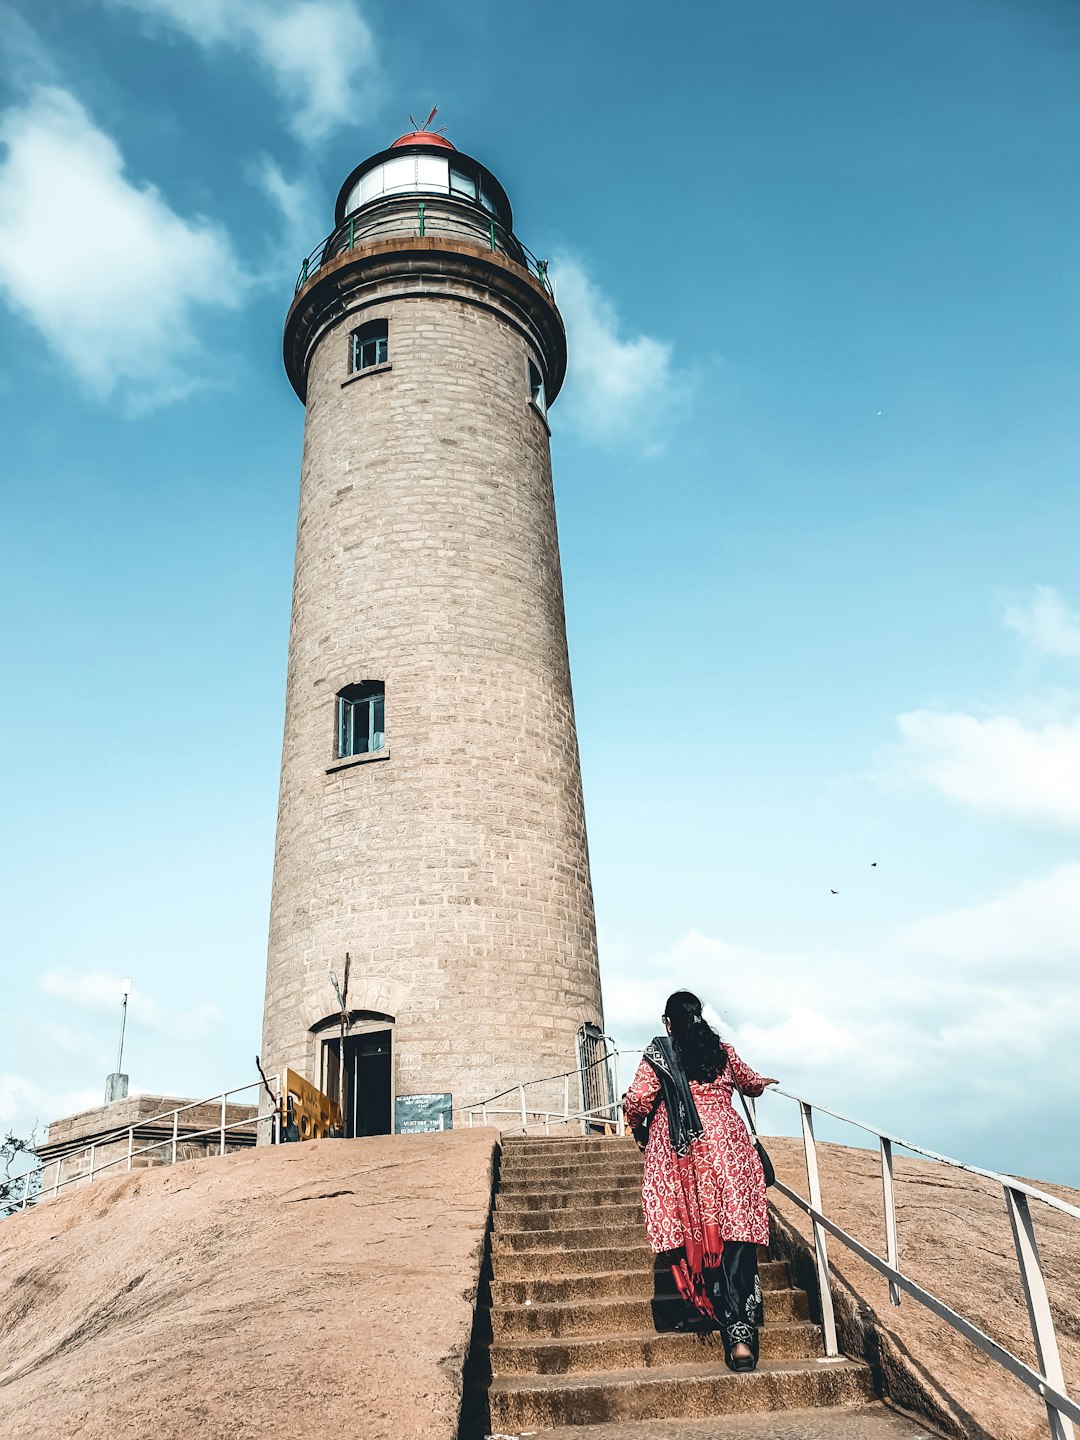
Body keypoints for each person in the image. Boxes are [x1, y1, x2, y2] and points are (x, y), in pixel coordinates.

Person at [622, 990, 777, 1372]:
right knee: (734, 1235)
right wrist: (762, 1083)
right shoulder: (721, 1049)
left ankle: (703, 1308)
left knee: (693, 1231)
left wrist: (636, 1122)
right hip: (728, 1147)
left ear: (667, 1022)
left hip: (683, 1153)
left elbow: (640, 1100)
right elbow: (750, 1081)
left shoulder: (659, 1054)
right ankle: (740, 1338)